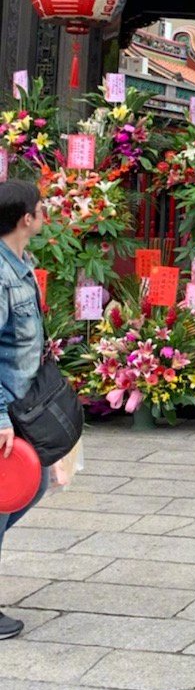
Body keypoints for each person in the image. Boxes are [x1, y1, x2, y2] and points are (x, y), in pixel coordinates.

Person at [0, 180, 49, 640]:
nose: (45, 212)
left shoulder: (20, 265)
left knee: (34, 484)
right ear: (25, 219)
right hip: (4, 408)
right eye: (40, 207)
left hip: (22, 401)